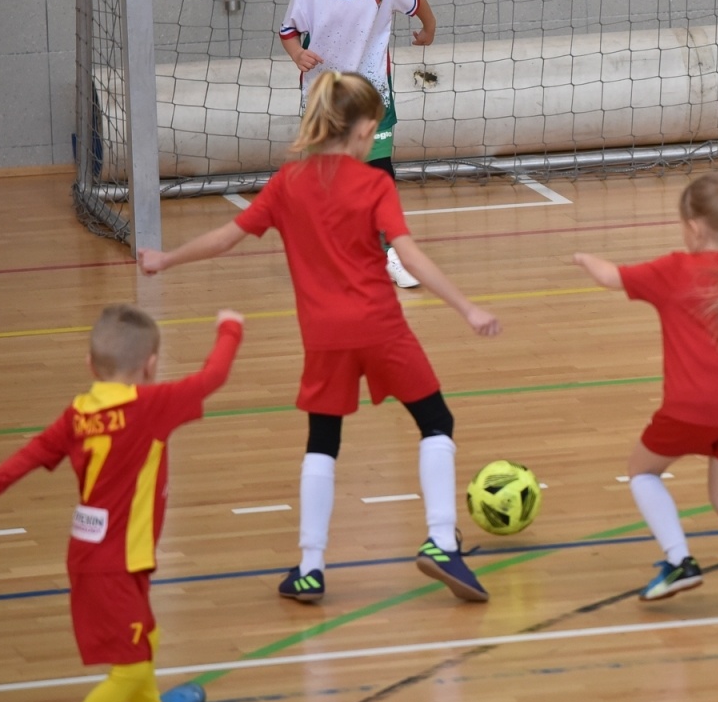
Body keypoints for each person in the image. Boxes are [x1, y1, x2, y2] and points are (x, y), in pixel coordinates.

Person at [139, 71, 498, 606]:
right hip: (381, 326)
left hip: (324, 337)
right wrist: (466, 306)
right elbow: (411, 255)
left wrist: (166, 259)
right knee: (435, 421)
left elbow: (225, 239)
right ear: (364, 130)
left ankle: (310, 566)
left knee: (322, 440)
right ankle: (443, 541)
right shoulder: (375, 184)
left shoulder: (288, 184)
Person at [0, 305, 244, 702]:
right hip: (113, 565)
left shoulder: (78, 414)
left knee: (147, 639)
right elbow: (214, 375)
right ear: (150, 365)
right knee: (130, 666)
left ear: (89, 365)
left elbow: (31, 453)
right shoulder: (151, 406)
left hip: (100, 557)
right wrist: (230, 327)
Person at [573, 173, 718, 612]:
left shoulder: (673, 270)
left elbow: (612, 278)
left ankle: (679, 560)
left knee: (642, 472)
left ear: (695, 227)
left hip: (689, 406)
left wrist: (585, 258)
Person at [278, 0, 436, 289]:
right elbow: (288, 31)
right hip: (325, 100)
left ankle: (390, 253)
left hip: (371, 98)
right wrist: (298, 54)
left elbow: (416, 0)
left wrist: (428, 30)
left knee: (379, 176)